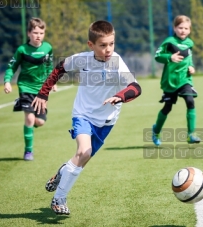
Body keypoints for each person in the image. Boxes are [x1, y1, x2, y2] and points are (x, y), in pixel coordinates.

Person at [31, 20, 141, 215]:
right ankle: (59, 199)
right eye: (103, 45)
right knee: (84, 151)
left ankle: (62, 172)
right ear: (91, 45)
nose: (108, 49)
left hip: (106, 122)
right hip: (82, 115)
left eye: (111, 44)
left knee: (82, 159)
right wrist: (43, 93)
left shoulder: (117, 62)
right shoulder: (82, 59)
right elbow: (59, 68)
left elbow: (135, 87)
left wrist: (120, 96)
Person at [3, 17, 56, 161]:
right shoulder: (22, 50)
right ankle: (28, 151)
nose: (38, 36)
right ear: (28, 33)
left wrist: (52, 82)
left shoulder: (48, 48)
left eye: (41, 33)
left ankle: (33, 124)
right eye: (35, 32)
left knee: (40, 122)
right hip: (25, 87)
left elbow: (49, 67)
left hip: (42, 90)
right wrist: (7, 81)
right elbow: (12, 66)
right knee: (29, 118)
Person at [151, 15, 200, 146]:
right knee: (167, 108)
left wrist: (192, 67)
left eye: (186, 28)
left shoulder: (190, 43)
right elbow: (157, 56)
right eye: (180, 28)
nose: (183, 30)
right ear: (174, 28)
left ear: (189, 30)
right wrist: (169, 57)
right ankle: (156, 131)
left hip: (184, 79)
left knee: (190, 101)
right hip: (170, 81)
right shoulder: (169, 41)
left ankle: (191, 135)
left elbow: (189, 58)